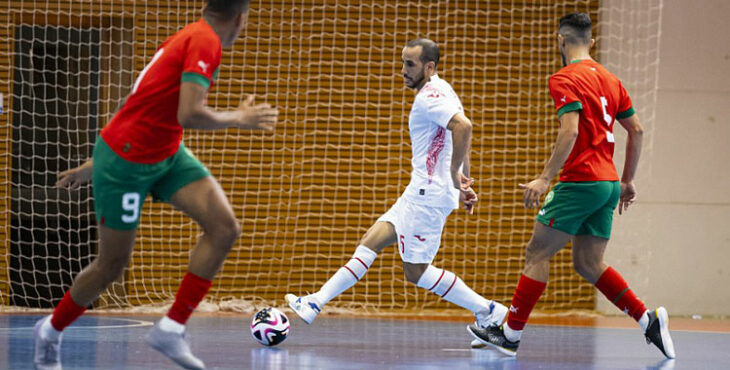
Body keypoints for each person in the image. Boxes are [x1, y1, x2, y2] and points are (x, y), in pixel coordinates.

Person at [33, 1, 278, 369]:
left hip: (166, 152)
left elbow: (140, 105)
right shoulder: (204, 41)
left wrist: (92, 163)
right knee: (110, 266)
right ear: (241, 19)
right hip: (127, 163)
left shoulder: (192, 35)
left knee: (224, 227)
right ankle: (50, 330)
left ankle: (171, 327)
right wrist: (239, 118)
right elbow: (189, 113)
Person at [467, 13, 675, 359]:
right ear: (591, 42)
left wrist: (545, 177)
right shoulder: (611, 79)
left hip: (581, 180)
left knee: (537, 252)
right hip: (607, 184)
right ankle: (647, 319)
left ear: (560, 40)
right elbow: (636, 130)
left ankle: (510, 334)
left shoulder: (564, 78)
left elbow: (571, 130)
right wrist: (627, 180)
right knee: (589, 264)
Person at [285, 39, 508, 340]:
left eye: (410, 64)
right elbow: (459, 135)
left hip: (426, 197)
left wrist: (456, 176)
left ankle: (490, 311)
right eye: (402, 62)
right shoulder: (444, 90)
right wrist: (464, 183)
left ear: (429, 67)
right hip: (418, 192)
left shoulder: (430, 97)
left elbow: (464, 128)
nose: (402, 70)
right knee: (370, 241)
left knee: (416, 272)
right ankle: (315, 302)